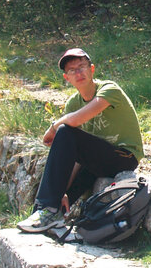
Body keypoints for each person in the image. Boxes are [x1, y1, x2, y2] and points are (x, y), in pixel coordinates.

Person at [17, 48, 144, 233]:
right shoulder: (73, 103)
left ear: (91, 69)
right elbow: (76, 153)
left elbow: (73, 123)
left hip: (123, 156)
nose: (78, 72)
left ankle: (47, 210)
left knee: (64, 131)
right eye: (72, 70)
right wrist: (62, 191)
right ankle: (50, 214)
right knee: (62, 185)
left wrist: (53, 127)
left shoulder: (109, 89)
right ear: (66, 78)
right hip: (98, 159)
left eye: (82, 66)